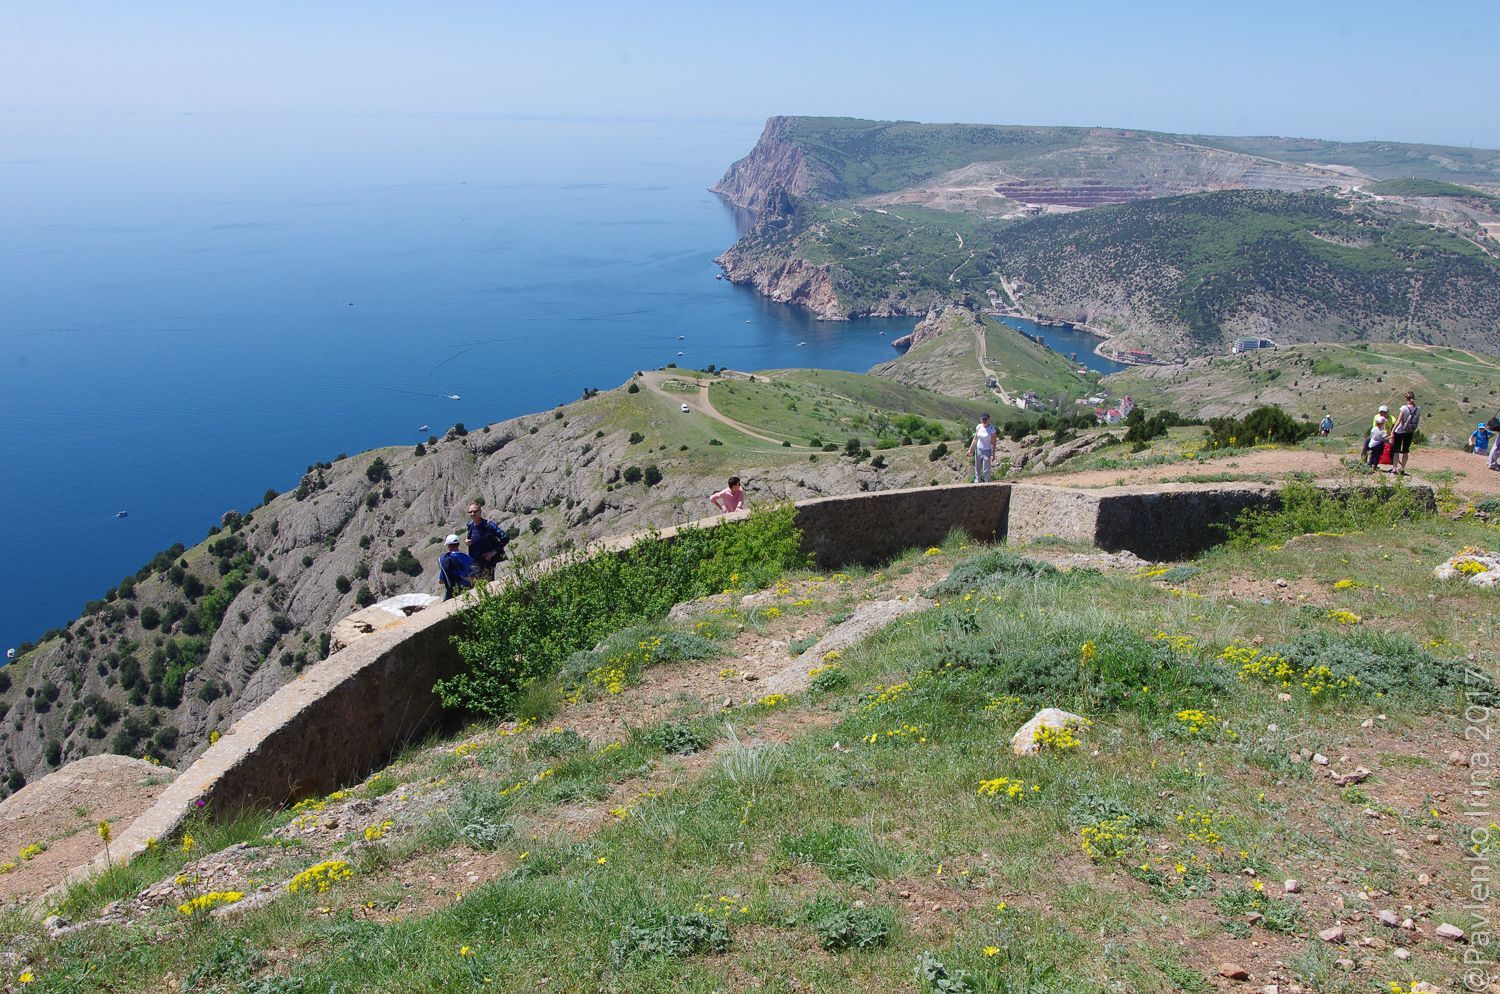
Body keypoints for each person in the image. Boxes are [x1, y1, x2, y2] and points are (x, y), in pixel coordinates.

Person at [465, 503, 509, 578]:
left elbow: (505, 538)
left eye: (475, 511)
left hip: (491, 563)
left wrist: (493, 552)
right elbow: (470, 538)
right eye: (470, 512)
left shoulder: (488, 525)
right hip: (476, 564)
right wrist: (467, 541)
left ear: (480, 511)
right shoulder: (470, 525)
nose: (472, 514)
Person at [1391, 390, 1420, 475]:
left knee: (1396, 450)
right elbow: (1417, 421)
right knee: (1405, 451)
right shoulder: (1418, 409)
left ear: (1405, 398)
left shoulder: (1404, 408)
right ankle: (1403, 468)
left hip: (1400, 431)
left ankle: (1394, 468)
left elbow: (1399, 420)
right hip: (1410, 431)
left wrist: (1393, 430)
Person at [437, 535, 474, 600]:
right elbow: (473, 574)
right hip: (467, 588)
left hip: (452, 592)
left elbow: (441, 581)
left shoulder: (445, 560)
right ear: (458, 544)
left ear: (448, 545)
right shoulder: (466, 557)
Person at [967, 413, 999, 483]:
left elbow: (994, 442)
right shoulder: (978, 427)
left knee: (986, 468)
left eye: (985, 419)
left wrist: (993, 455)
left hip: (987, 451)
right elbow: (975, 439)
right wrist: (970, 450)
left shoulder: (992, 429)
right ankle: (977, 481)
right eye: (982, 419)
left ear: (988, 419)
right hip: (978, 449)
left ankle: (987, 482)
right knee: (977, 467)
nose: (984, 420)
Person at [1367, 405, 1391, 470]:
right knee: (1377, 456)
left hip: (1373, 443)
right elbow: (1385, 438)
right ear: (1382, 423)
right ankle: (1375, 466)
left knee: (1372, 455)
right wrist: (1391, 437)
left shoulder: (1373, 429)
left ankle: (1370, 464)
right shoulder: (1383, 431)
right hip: (1379, 444)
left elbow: (1371, 435)